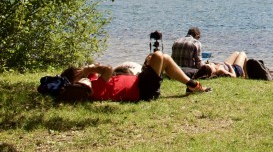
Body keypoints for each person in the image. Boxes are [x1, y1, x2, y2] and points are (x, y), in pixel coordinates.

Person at [61, 51, 211, 102]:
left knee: (164, 57)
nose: (82, 70)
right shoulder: (92, 88)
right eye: (78, 72)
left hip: (140, 82)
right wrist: (88, 69)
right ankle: (193, 85)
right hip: (142, 90)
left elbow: (98, 68)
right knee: (158, 56)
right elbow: (107, 69)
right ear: (76, 80)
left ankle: (191, 85)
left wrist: (89, 70)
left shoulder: (92, 80)